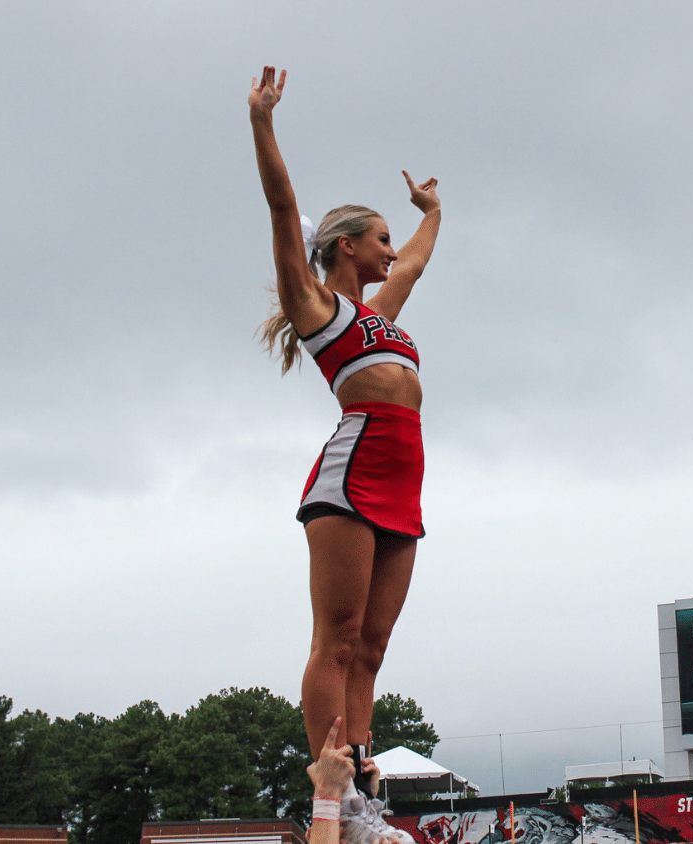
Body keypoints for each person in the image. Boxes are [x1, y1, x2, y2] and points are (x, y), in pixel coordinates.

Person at [249, 65, 440, 844]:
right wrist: (263, 123)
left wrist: (432, 210)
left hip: (406, 479)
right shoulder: (320, 309)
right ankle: (331, 788)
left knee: (374, 643)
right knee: (336, 635)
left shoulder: (384, 312)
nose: (394, 252)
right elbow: (283, 206)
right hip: (352, 474)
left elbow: (421, 260)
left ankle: (362, 782)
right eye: (384, 238)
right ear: (347, 246)